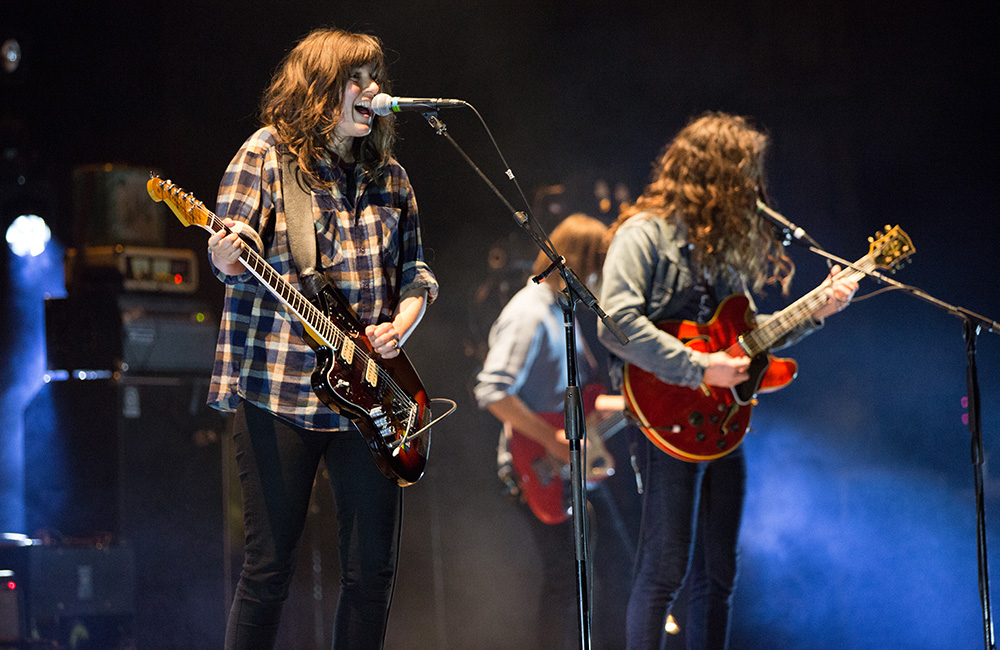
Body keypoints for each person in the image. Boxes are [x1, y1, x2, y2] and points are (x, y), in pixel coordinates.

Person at [205, 28, 438, 650]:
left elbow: (417, 275)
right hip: (280, 391)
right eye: (354, 80)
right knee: (269, 571)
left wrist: (402, 324)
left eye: (374, 78)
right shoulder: (265, 155)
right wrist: (227, 251)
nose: (371, 90)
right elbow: (230, 246)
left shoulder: (392, 177)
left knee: (372, 575)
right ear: (318, 90)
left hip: (371, 397)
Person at [597, 112, 858, 649]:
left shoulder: (721, 251)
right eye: (745, 172)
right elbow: (616, 323)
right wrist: (699, 368)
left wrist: (816, 311)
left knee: (718, 577)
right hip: (664, 416)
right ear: (715, 174)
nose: (754, 186)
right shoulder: (644, 234)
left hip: (723, 421)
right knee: (665, 568)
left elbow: (747, 336)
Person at [475, 213, 634, 650]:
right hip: (540, 466)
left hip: (570, 465)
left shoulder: (559, 311)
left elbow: (582, 403)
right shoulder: (529, 312)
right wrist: (551, 441)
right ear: (584, 264)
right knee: (569, 579)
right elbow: (492, 391)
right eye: (601, 268)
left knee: (608, 570)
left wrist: (643, 404)